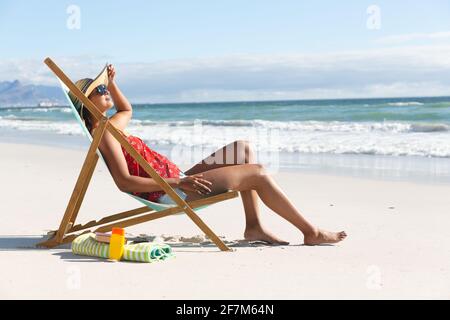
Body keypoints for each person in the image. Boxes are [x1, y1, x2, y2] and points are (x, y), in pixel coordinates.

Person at [68, 64, 347, 246]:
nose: (106, 92)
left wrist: (114, 84)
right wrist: (177, 184)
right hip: (171, 191)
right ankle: (311, 232)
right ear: (87, 104)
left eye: (105, 88)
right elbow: (125, 183)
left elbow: (127, 110)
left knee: (243, 149)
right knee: (258, 172)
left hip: (177, 180)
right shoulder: (103, 133)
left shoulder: (109, 126)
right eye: (100, 90)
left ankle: (254, 228)